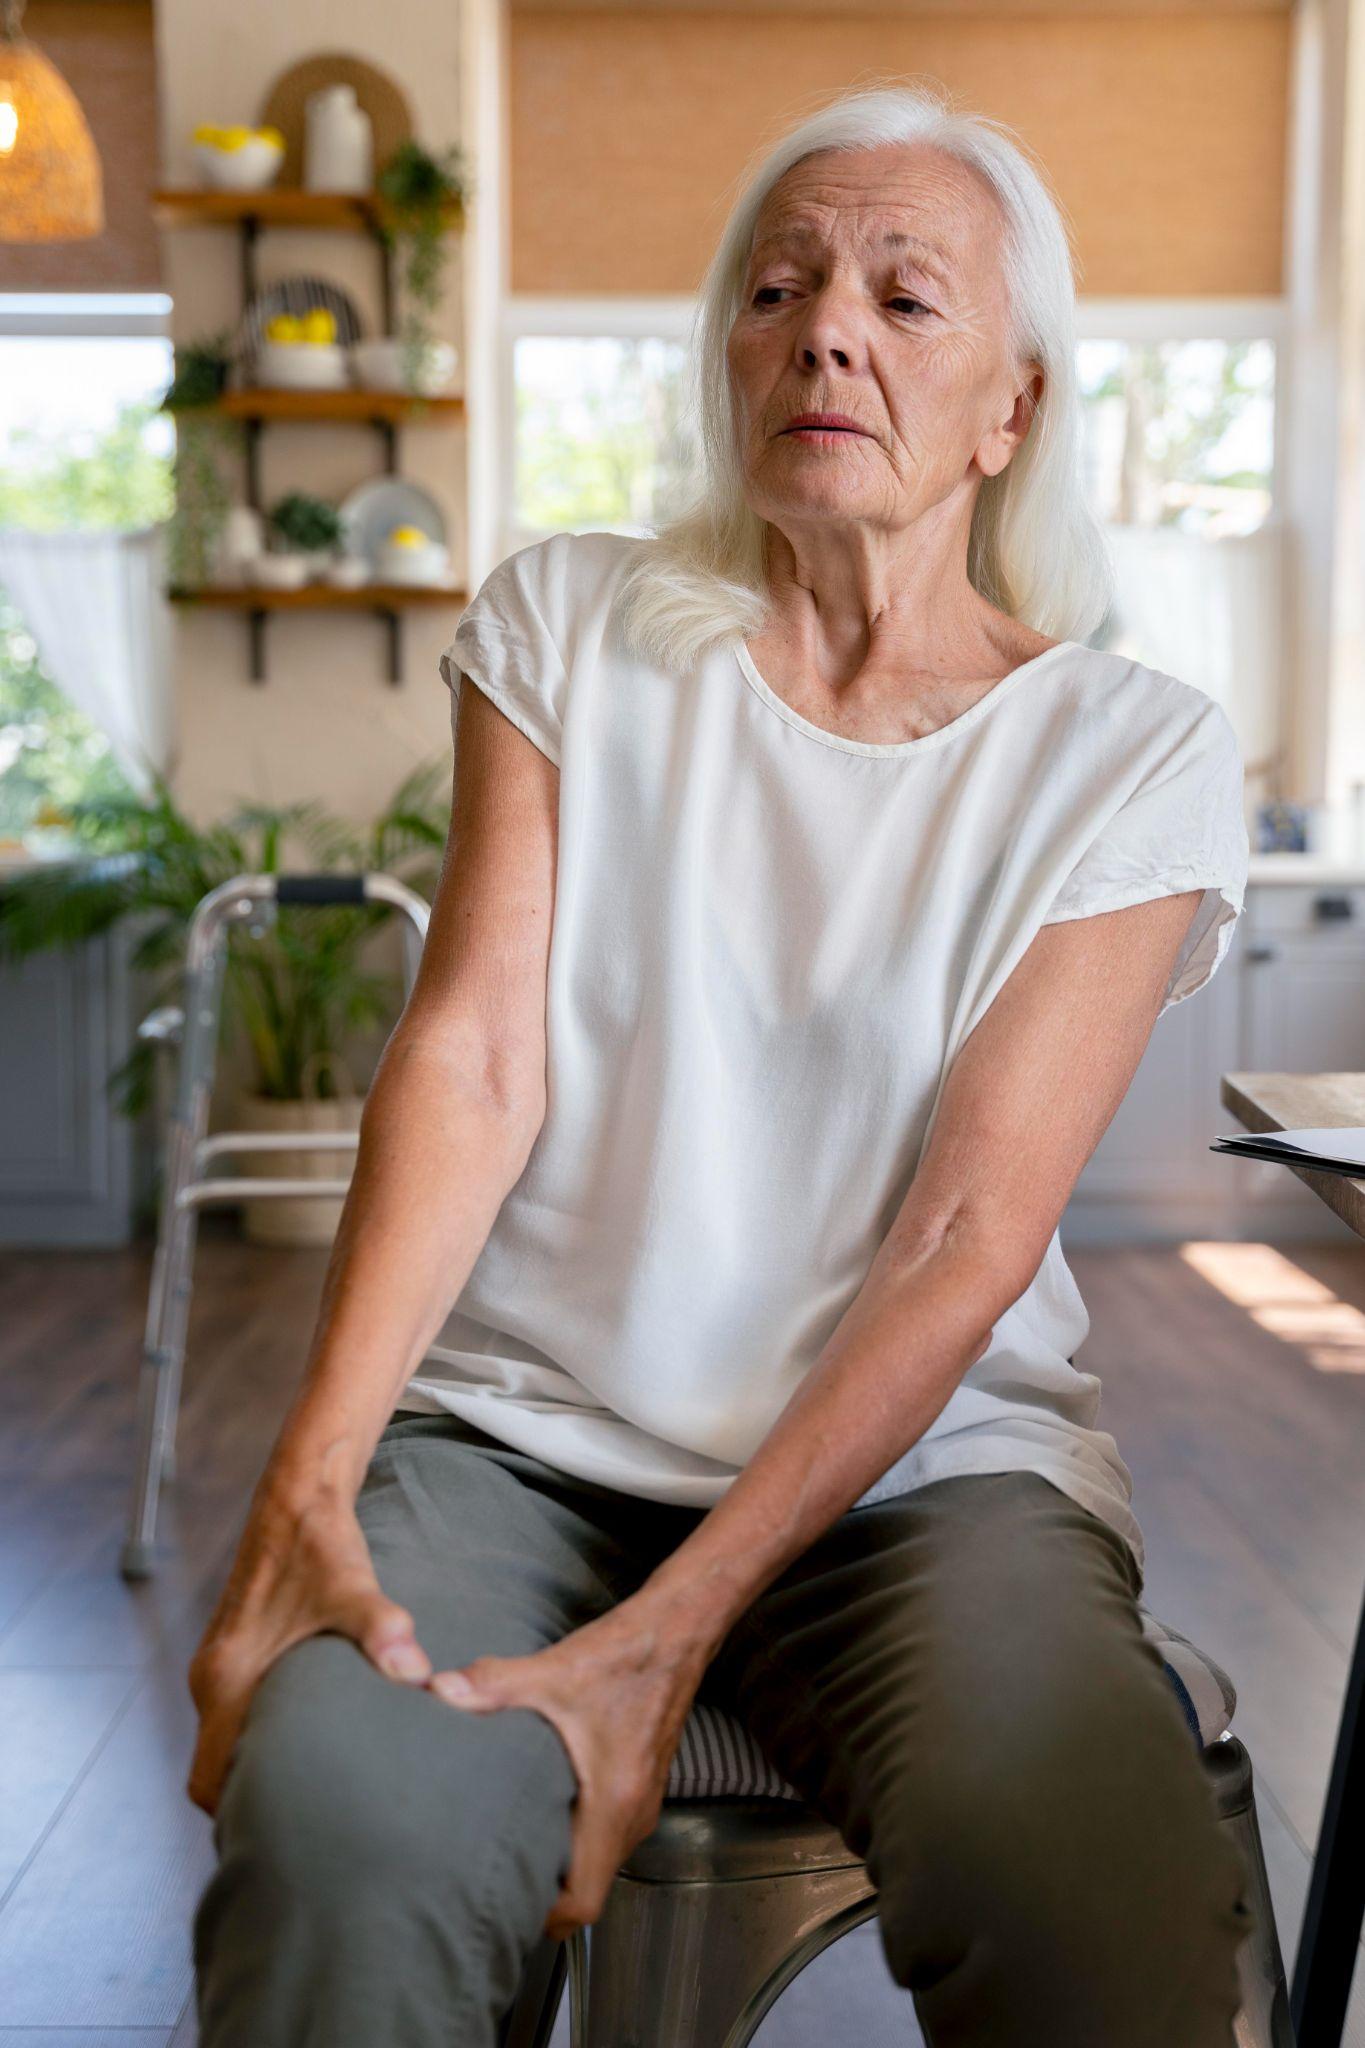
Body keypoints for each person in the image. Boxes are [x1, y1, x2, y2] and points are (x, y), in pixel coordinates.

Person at [188, 78, 1254, 2047]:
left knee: (1083, 1870)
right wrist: (305, 1483)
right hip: (521, 1440)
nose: (825, 327)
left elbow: (964, 1231)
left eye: (903, 298)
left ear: (1007, 408)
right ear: (727, 358)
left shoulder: (1126, 747)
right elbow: (475, 1052)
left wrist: (666, 1637)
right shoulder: (572, 626)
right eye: (778, 287)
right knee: (347, 1839)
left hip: (927, 1478)